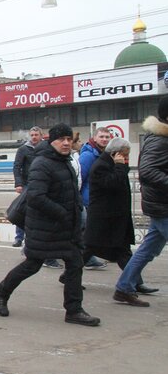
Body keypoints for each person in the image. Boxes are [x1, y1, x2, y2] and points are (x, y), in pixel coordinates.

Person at [0, 123, 100, 327]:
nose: (66, 143)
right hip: (45, 227)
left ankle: (74, 310)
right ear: (52, 141)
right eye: (61, 139)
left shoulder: (65, 161)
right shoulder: (42, 163)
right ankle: (1, 291)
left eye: (69, 139)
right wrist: (62, 213)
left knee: (75, 264)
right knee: (32, 265)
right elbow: (36, 197)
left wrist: (75, 213)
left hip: (66, 227)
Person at [81, 137, 155, 306]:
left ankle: (135, 282)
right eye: (125, 155)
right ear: (116, 153)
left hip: (115, 217)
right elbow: (112, 184)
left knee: (121, 251)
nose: (126, 158)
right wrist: (120, 166)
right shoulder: (101, 166)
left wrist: (121, 166)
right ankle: (131, 285)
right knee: (92, 247)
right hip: (104, 218)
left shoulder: (111, 164)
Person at [114, 98, 168, 304]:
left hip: (161, 204)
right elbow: (147, 171)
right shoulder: (159, 140)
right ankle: (124, 287)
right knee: (148, 249)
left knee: (147, 249)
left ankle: (124, 287)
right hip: (162, 205)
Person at [78, 126, 113, 270]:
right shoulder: (88, 155)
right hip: (88, 199)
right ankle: (87, 259)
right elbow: (80, 177)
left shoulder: (104, 153)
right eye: (101, 137)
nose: (104, 139)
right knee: (87, 230)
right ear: (94, 138)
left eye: (107, 137)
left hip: (98, 198)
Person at [12, 126, 42, 249]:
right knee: (23, 210)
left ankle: (36, 238)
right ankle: (19, 237)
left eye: (36, 135)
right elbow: (17, 167)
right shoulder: (23, 149)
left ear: (41, 136)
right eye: (32, 135)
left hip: (42, 184)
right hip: (27, 185)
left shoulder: (46, 148)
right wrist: (18, 184)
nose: (34, 137)